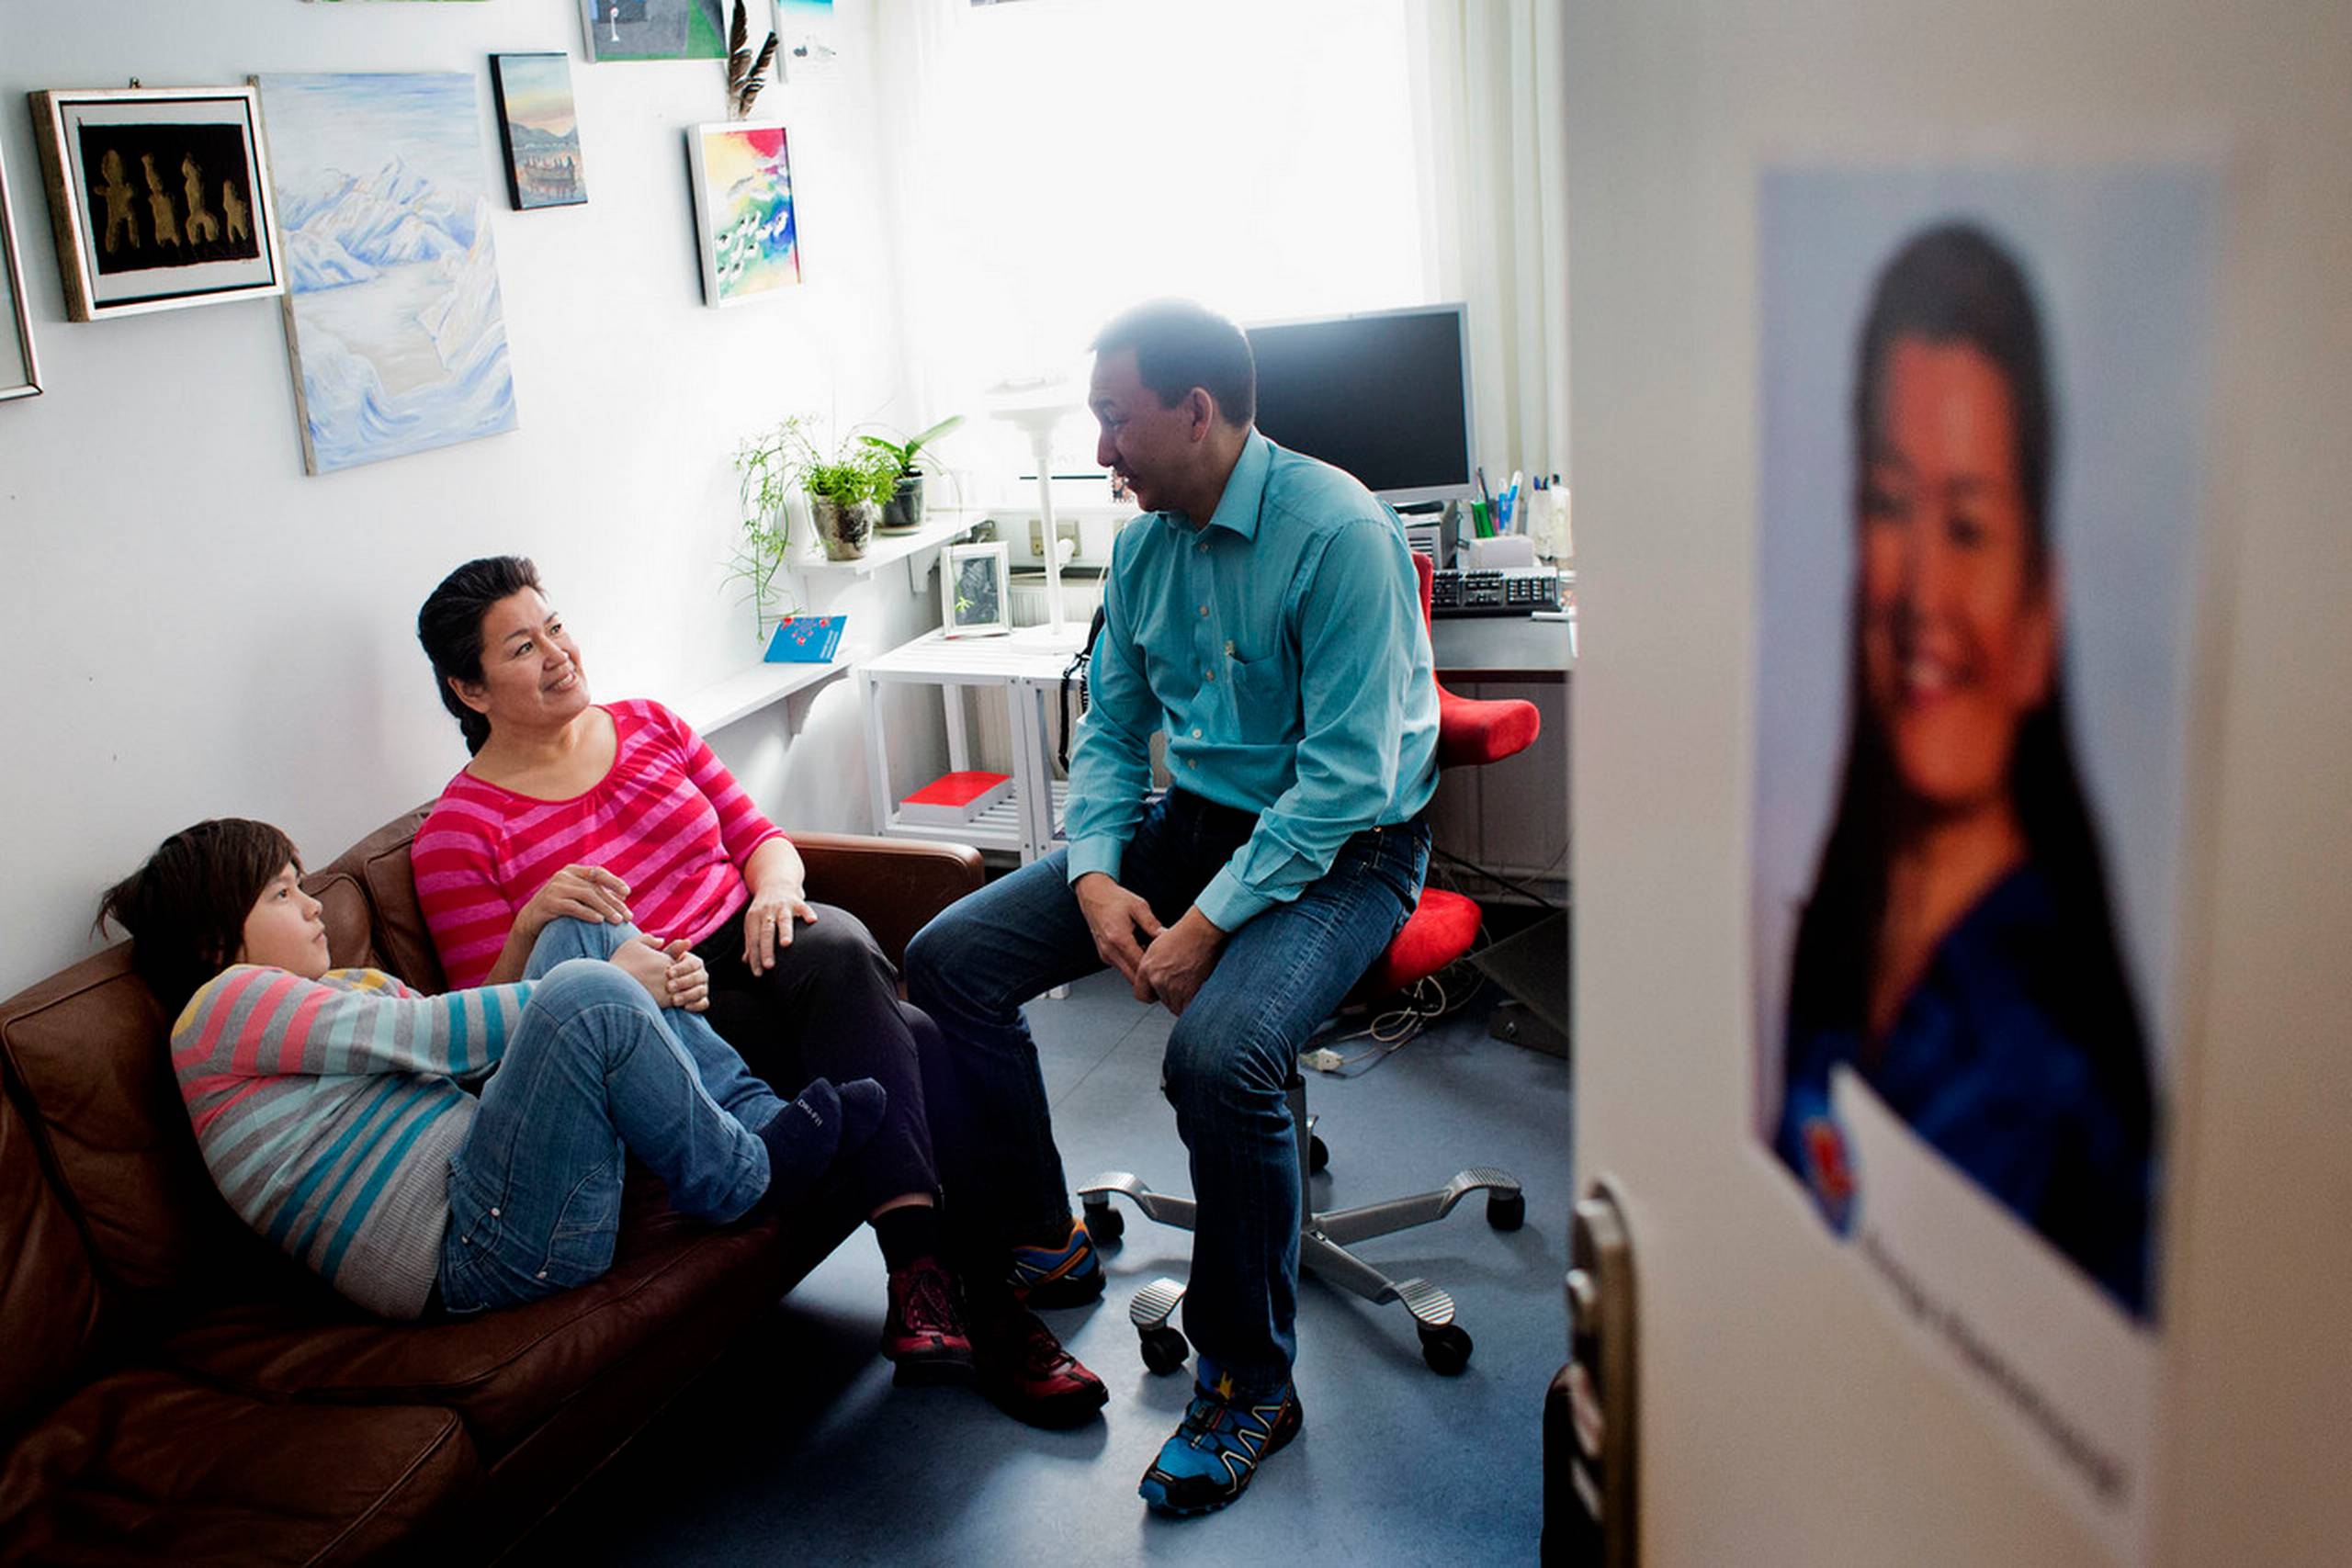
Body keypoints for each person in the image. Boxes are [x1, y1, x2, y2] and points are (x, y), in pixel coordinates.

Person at [904, 299, 1442, 1515]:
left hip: (1349, 848)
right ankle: (1044, 1233)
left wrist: (1205, 924)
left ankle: (1251, 1379)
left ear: (1196, 411)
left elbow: (1348, 782)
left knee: (1219, 1052)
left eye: (1115, 418)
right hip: (1192, 821)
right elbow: (1111, 735)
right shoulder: (1146, 544)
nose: (1100, 449)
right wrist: (1095, 869)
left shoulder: (1337, 535)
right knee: (953, 956)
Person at [412, 558, 1104, 1421]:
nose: (558, 653)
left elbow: (761, 839)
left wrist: (777, 888)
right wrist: (530, 928)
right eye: (522, 646)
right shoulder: (458, 833)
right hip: (672, 1019)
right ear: (469, 690)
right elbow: (492, 1035)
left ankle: (928, 1286)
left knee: (842, 939)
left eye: (554, 625)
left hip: (760, 944)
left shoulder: (651, 725)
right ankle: (986, 1311)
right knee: (917, 1034)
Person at [1773, 223, 2157, 1317]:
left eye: (1971, 523)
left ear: (2042, 609)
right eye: (1890, 508)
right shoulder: (1840, 926)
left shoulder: (2060, 1068)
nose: (1921, 593)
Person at [100, 818, 886, 1321]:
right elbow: (432, 1034)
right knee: (587, 988)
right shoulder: (221, 1009)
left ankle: (753, 1120)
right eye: (281, 892)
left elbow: (478, 1063)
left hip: (502, 1197)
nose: (312, 907)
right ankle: (742, 1178)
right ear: (212, 941)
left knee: (580, 936)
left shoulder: (330, 996)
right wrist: (619, 991)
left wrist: (560, 939)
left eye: (305, 885)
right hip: (480, 1250)